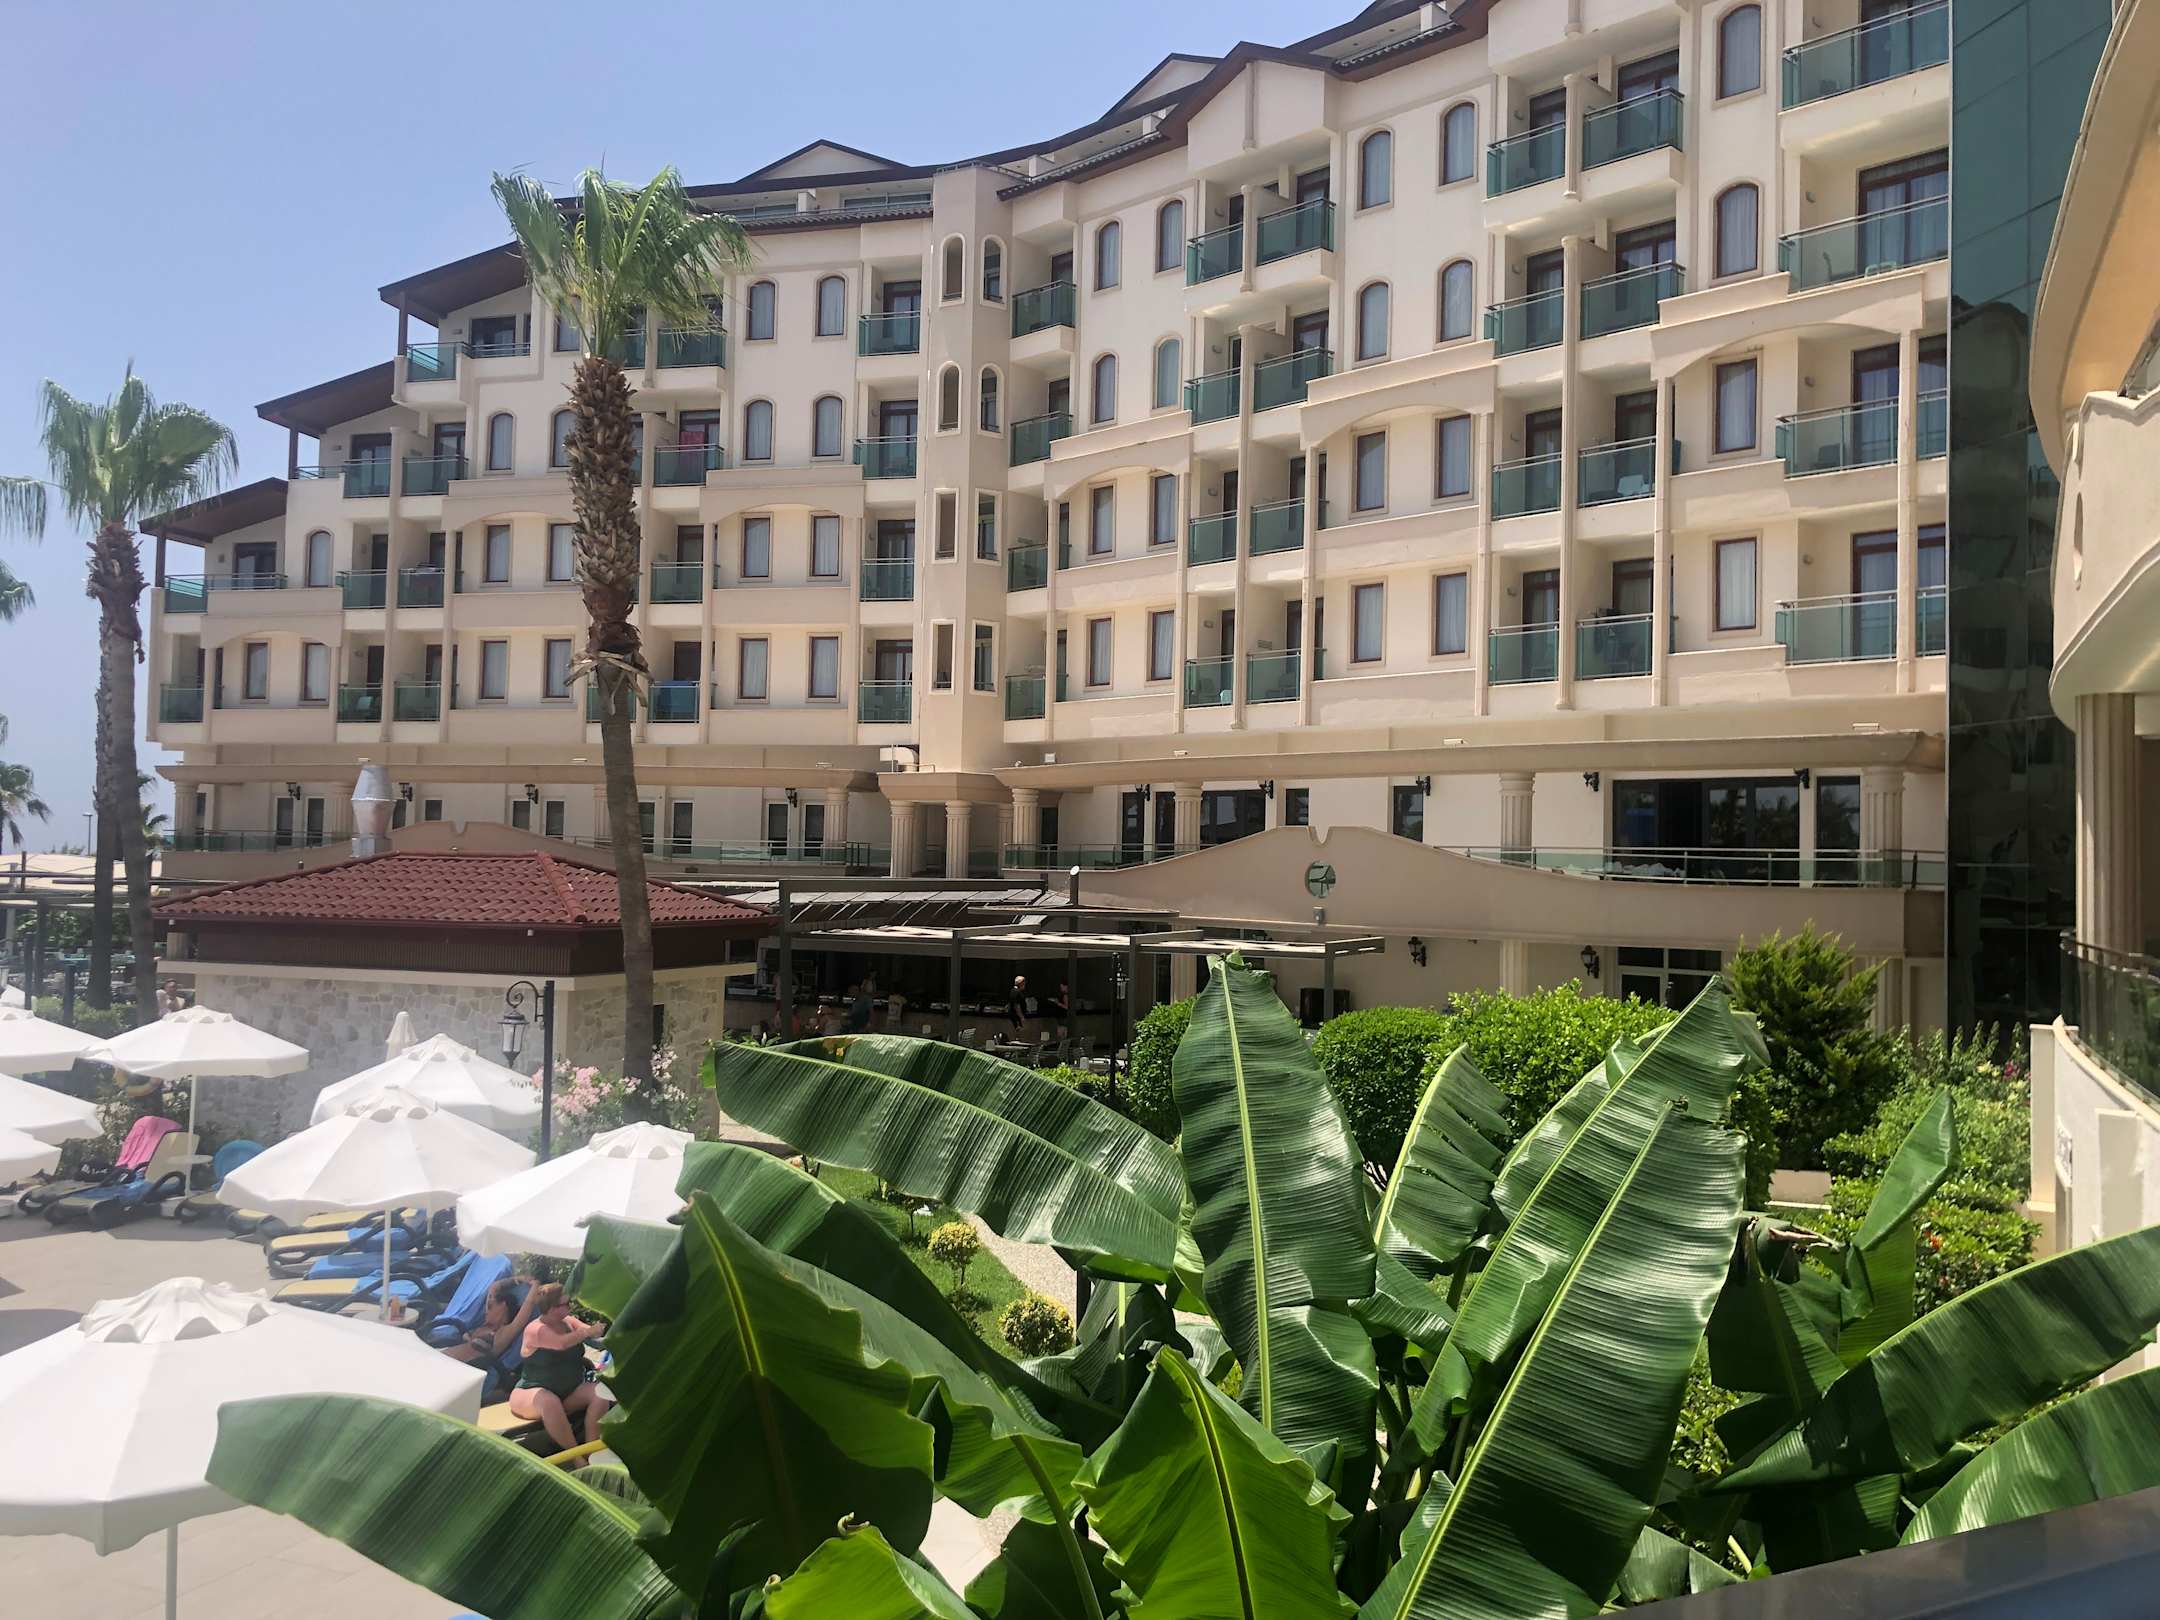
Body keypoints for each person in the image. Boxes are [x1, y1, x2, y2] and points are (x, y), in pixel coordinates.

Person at [507, 1283, 610, 1459]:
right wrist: (586, 1333)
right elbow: (561, 1343)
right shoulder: (535, 1329)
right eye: (564, 1304)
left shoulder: (569, 1322)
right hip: (530, 1393)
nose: (568, 1308)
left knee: (600, 1394)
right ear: (550, 1307)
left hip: (568, 1393)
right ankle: (575, 1458)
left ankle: (590, 1452)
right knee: (549, 1401)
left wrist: (602, 1331)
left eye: (568, 1303)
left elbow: (592, 1336)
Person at [440, 1276, 538, 1368]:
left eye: (490, 1307)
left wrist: (535, 1285)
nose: (486, 1311)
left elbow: (528, 1304)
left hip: (456, 1368)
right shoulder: (486, 1324)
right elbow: (494, 1287)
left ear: (503, 1306)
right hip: (443, 1356)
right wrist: (518, 1279)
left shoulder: (504, 1332)